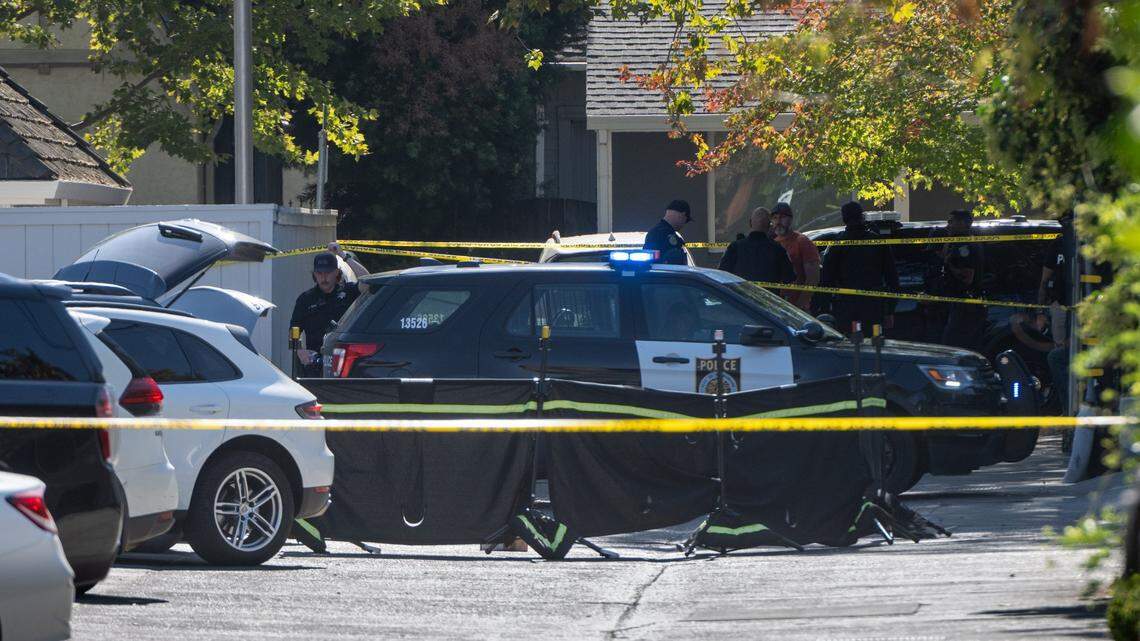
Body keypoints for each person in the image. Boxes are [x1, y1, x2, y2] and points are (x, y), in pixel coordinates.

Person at [818, 201, 900, 334]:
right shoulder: (878, 243)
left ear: (844, 219)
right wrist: (890, 311)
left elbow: (826, 280)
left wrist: (825, 310)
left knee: (852, 346)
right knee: (875, 344)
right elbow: (893, 279)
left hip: (847, 308)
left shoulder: (837, 245)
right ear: (862, 216)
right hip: (873, 309)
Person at [289, 243, 369, 376]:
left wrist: (344, 256)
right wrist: (299, 351)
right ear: (314, 274)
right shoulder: (306, 299)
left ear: (337, 272)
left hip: (344, 360)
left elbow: (367, 282)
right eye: (320, 273)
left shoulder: (348, 291)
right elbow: (293, 329)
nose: (324, 277)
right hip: (315, 364)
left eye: (328, 272)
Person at [718, 206, 795, 285]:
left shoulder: (734, 247)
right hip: (765, 296)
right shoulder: (778, 249)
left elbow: (721, 274)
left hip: (738, 296)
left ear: (750, 223)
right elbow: (789, 278)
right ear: (769, 225)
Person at [769, 202, 822, 311]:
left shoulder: (802, 241)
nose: (778, 222)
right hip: (775, 305)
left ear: (791, 220)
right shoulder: (772, 243)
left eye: (782, 217)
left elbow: (813, 278)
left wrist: (801, 304)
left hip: (796, 307)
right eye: (775, 218)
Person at [644, 199, 692, 265]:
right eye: (685, 221)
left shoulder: (654, 232)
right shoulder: (667, 235)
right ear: (682, 215)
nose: (683, 225)